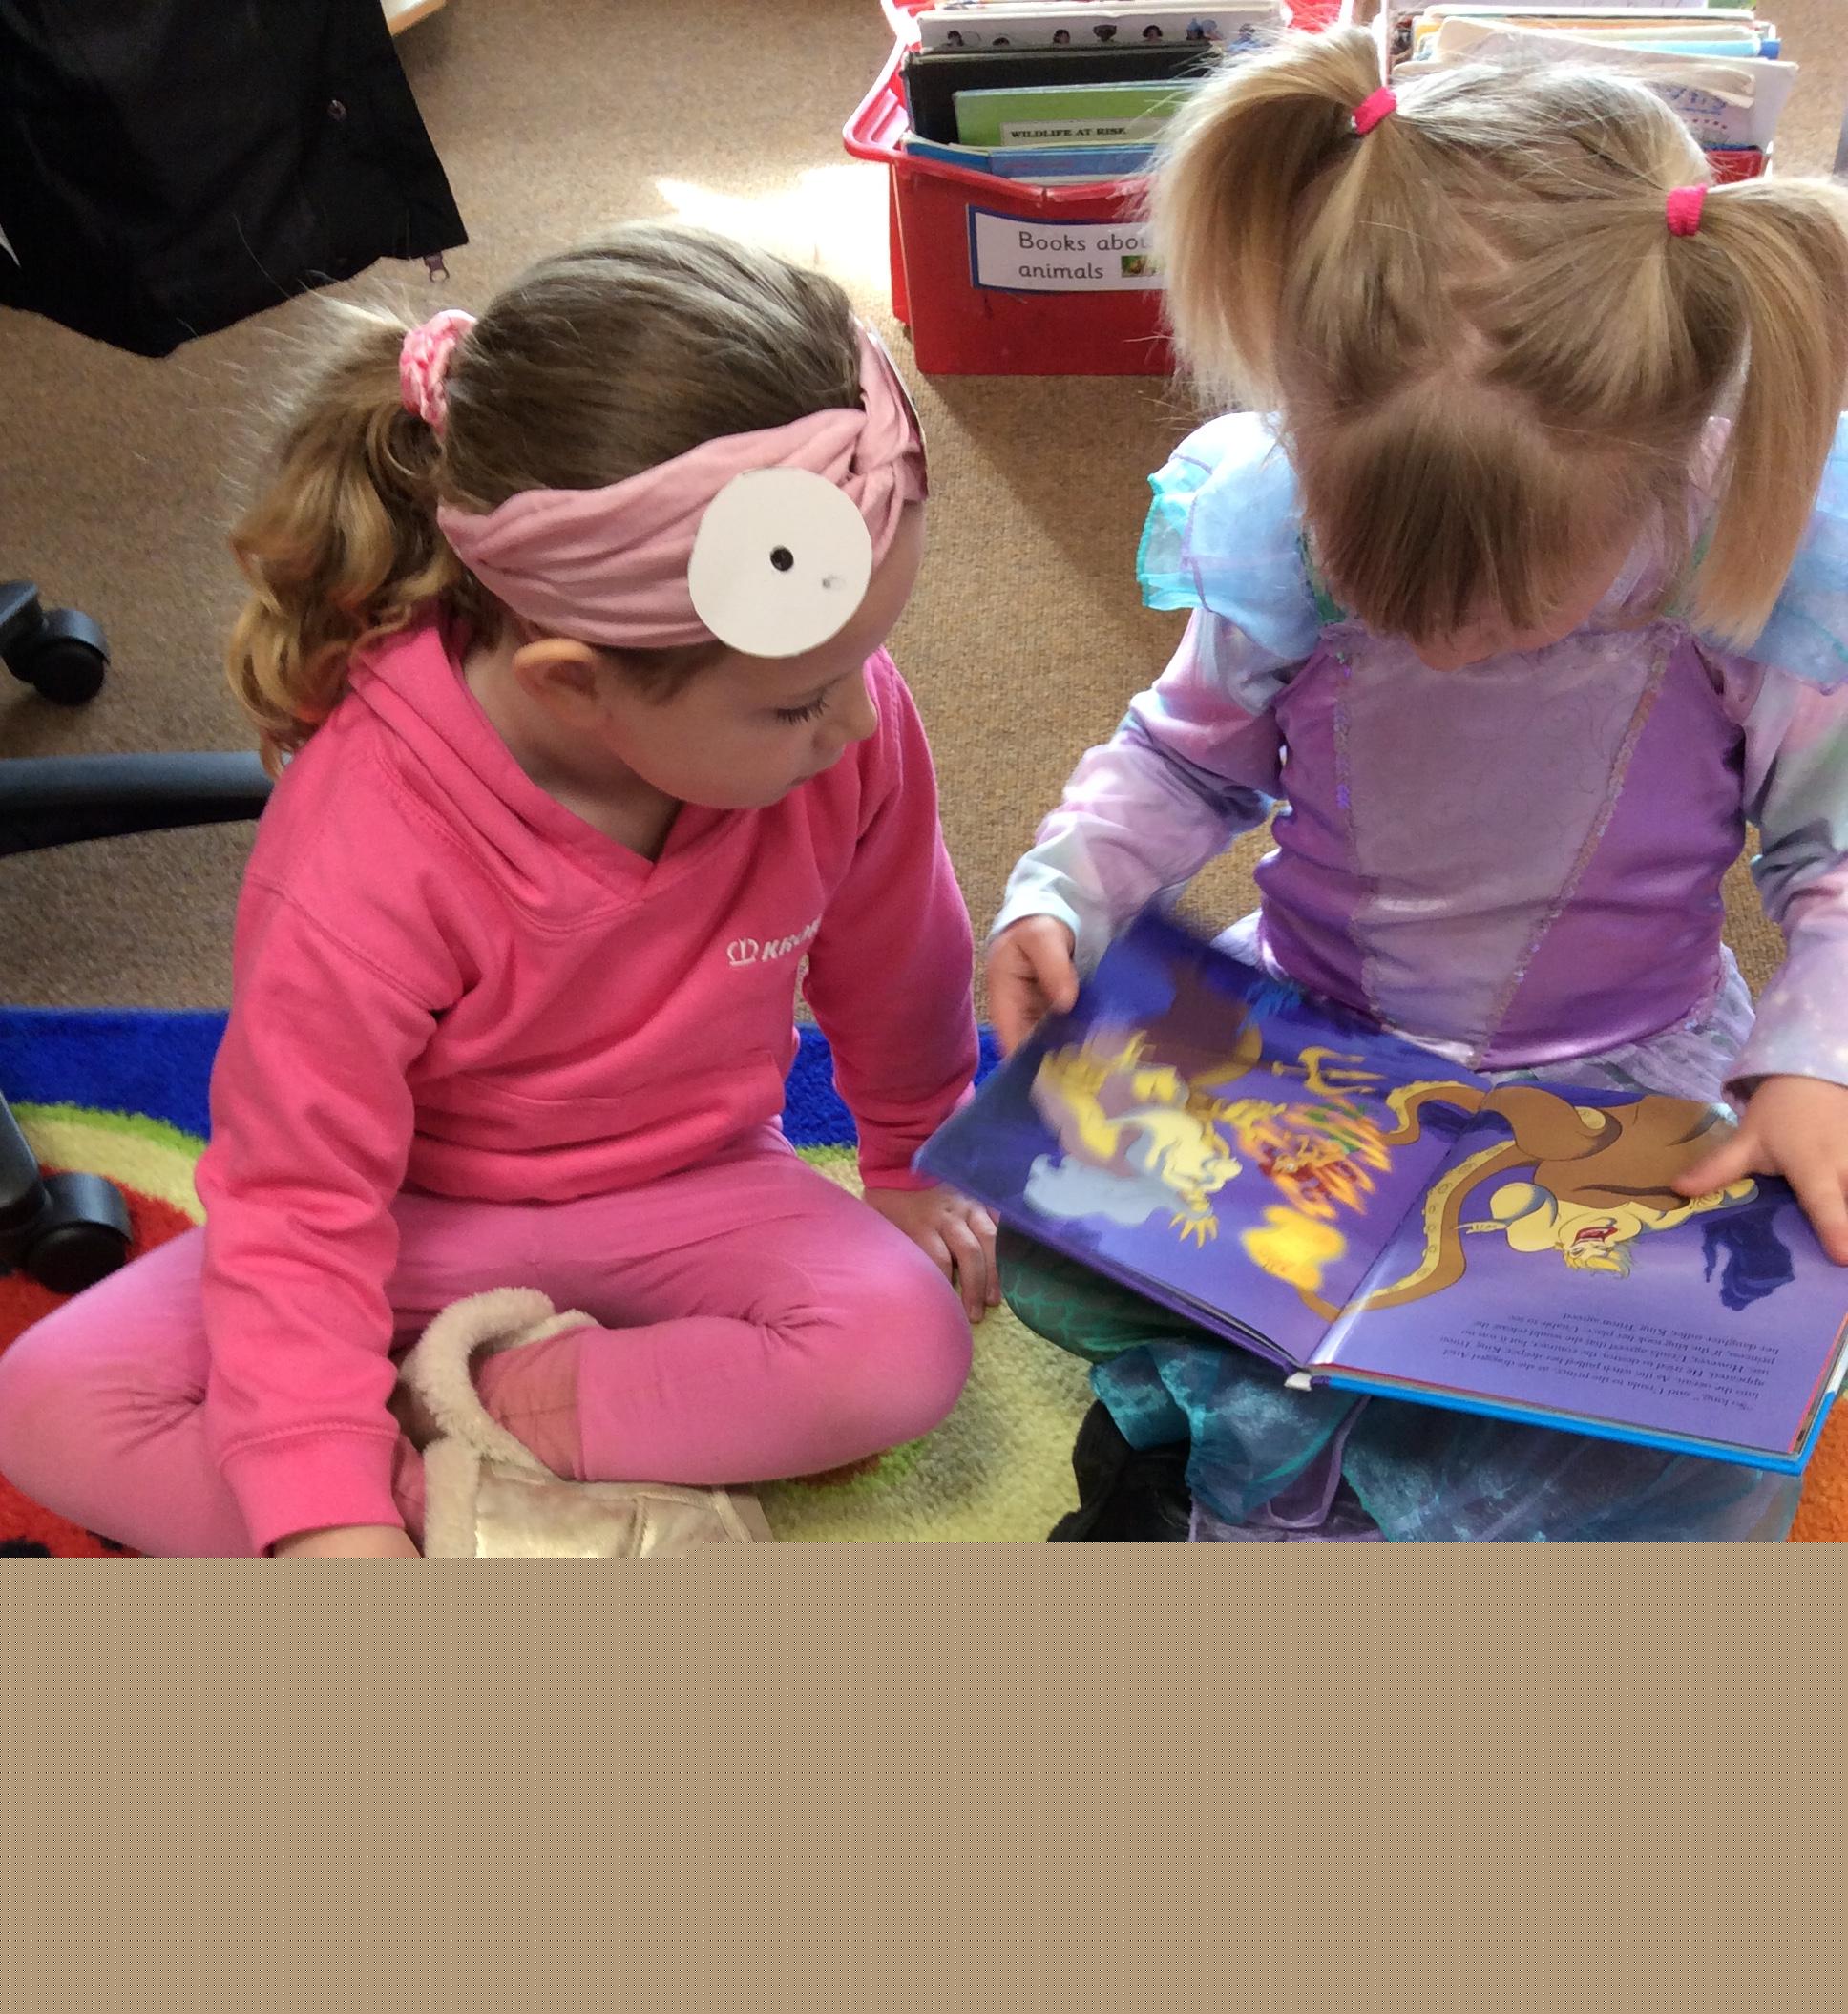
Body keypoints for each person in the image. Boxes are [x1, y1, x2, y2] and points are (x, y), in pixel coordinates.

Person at [0, 227, 997, 1558]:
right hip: (408, 1219)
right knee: (52, 1404)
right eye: (800, 701)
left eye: (864, 663)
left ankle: (464, 1432)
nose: (859, 721)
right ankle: (460, 1512)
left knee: (903, 1345)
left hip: (697, 1186)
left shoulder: (839, 719)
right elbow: (299, 1203)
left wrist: (915, 1158)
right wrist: (326, 1514)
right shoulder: (367, 834)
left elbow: (902, 954)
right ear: (572, 683)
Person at [986, 29, 1848, 1543]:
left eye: (1508, 602)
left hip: (1619, 1076)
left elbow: (1832, 860)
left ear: (1664, 474)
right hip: (1309, 1043)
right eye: (1381, 576)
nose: (1440, 637)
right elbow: (1179, 754)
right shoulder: (1277, 515)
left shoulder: (1751, 569)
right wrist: (1064, 890)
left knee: (1660, 1412)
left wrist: (1816, 1062)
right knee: (1080, 1248)